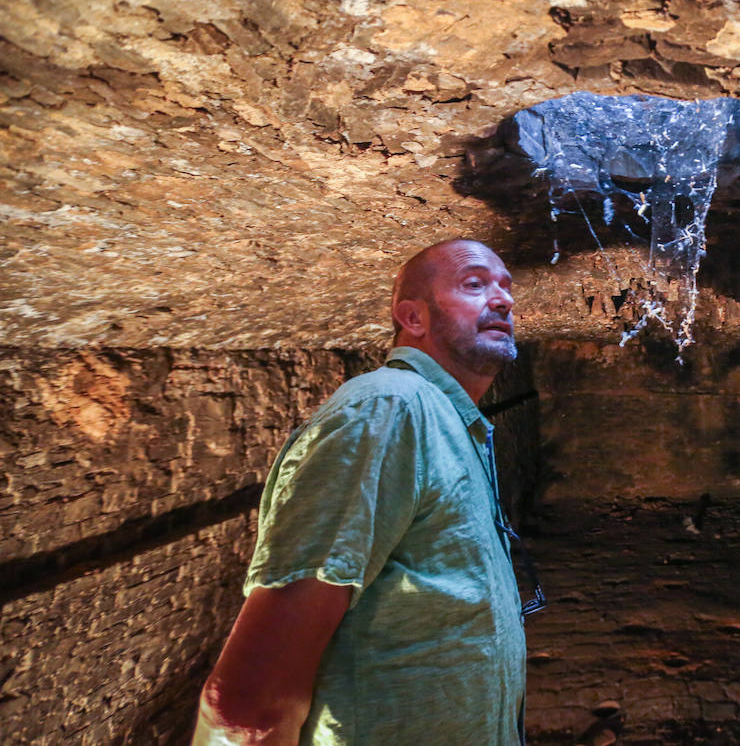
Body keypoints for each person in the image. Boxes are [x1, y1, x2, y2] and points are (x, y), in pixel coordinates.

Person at [193, 238, 530, 745]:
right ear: (413, 319)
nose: (503, 300)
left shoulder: (451, 422)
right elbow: (246, 703)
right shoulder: (389, 410)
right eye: (475, 284)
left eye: (505, 288)